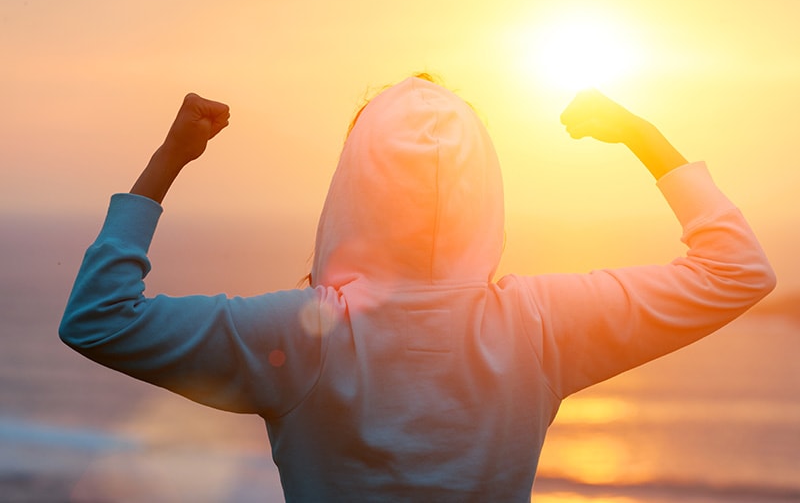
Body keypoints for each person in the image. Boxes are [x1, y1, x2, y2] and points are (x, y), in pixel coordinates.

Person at [60, 76, 776, 501]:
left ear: (353, 187)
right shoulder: (540, 327)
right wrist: (642, 136)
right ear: (483, 188)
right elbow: (739, 270)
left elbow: (97, 319)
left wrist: (169, 159)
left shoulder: (299, 335)